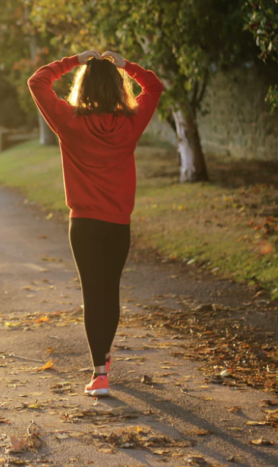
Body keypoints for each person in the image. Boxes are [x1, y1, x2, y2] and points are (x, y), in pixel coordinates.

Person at [27, 49, 164, 397]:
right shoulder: (131, 123)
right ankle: (103, 359)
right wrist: (126, 65)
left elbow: (37, 81)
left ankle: (100, 373)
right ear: (118, 88)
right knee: (110, 291)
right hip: (118, 224)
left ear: (83, 87)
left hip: (84, 224)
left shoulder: (69, 121)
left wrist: (74, 60)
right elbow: (155, 86)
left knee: (93, 294)